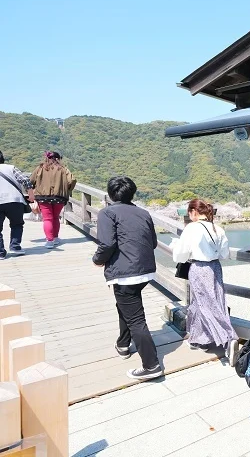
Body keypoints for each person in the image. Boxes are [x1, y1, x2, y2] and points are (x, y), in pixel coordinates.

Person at [92, 176, 163, 381]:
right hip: (145, 271)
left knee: (135, 318)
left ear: (111, 194)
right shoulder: (143, 213)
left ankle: (151, 365)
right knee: (127, 307)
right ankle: (123, 345)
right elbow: (153, 242)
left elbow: (106, 244)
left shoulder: (108, 213)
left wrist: (97, 260)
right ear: (132, 193)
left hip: (125, 273)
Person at [171, 199, 238, 361]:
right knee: (210, 303)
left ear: (194, 212)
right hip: (215, 268)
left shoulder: (191, 229)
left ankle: (229, 338)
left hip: (199, 269)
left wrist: (175, 246)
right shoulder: (218, 229)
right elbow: (224, 254)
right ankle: (199, 339)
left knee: (205, 305)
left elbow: (180, 255)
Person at [30, 151, 76, 248]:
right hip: (59, 197)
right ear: (58, 159)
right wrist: (66, 188)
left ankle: (49, 241)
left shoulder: (40, 168)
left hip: (43, 197)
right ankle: (55, 238)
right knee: (55, 217)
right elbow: (72, 180)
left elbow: (31, 181)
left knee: (47, 219)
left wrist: (34, 189)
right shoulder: (63, 169)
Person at [0, 151, 35, 259]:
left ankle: (0, 252)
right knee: (17, 224)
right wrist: (31, 194)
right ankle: (15, 246)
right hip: (14, 200)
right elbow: (25, 180)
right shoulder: (11, 168)